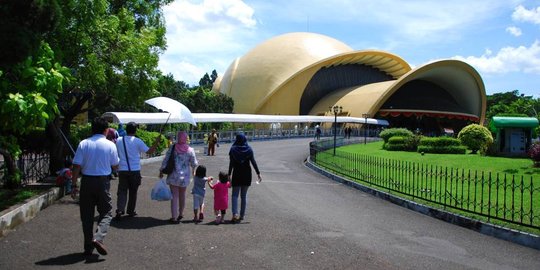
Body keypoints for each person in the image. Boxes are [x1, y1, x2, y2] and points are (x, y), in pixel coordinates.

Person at [71, 117, 119, 256]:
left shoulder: (84, 143)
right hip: (103, 182)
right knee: (106, 211)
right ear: (106, 130)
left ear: (92, 129)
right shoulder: (110, 145)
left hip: (86, 181)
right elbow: (115, 165)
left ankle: (88, 246)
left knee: (86, 215)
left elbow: (76, 166)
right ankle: (98, 238)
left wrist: (74, 185)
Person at [114, 122, 161, 220]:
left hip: (122, 169)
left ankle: (119, 209)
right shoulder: (138, 141)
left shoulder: (118, 140)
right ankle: (131, 211)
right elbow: (150, 151)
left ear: (126, 130)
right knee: (133, 192)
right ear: (136, 131)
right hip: (134, 170)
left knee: (122, 191)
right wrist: (156, 142)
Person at [159, 131, 198, 224]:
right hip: (184, 177)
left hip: (173, 176)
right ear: (185, 138)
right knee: (182, 195)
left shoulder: (173, 147)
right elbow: (194, 163)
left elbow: (166, 160)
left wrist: (161, 170)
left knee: (174, 196)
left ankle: (174, 217)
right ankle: (181, 213)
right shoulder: (190, 150)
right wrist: (193, 170)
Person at [228, 134, 261, 223]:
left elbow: (231, 163)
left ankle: (235, 214)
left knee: (235, 195)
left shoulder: (233, 149)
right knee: (244, 196)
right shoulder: (249, 149)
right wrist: (258, 173)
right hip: (247, 175)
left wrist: (229, 174)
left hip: (237, 174)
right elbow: (253, 162)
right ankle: (242, 216)